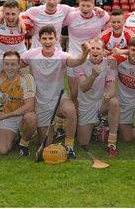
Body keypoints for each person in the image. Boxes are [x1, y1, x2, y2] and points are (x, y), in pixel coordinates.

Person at [20, 25, 90, 159]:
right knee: (46, 144)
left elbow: (76, 62)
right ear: (39, 40)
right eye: (44, 38)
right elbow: (17, 66)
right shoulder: (31, 54)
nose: (47, 41)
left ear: (56, 39)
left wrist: (84, 54)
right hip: (40, 101)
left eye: (50, 38)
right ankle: (47, 135)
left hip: (59, 98)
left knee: (70, 110)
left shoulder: (62, 55)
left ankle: (69, 147)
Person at [64, 0, 110, 114]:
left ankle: (95, 117)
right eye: (82, 5)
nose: (85, 8)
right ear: (79, 5)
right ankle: (76, 117)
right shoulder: (71, 16)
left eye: (88, 5)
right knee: (74, 92)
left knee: (93, 90)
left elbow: (108, 18)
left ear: (93, 6)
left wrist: (100, 10)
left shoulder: (100, 16)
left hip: (93, 58)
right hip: (74, 58)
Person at [74, 38, 120, 157]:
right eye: (92, 48)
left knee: (114, 102)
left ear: (103, 51)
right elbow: (83, 87)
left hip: (101, 103)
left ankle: (112, 143)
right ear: (89, 51)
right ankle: (99, 128)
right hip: (86, 105)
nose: (95, 50)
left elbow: (112, 88)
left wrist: (108, 95)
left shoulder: (109, 63)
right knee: (83, 142)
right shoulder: (80, 63)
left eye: (98, 48)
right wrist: (93, 76)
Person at [0, 51, 37, 156]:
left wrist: (6, 115)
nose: (10, 67)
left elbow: (30, 106)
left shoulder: (27, 78)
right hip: (8, 118)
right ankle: (15, 136)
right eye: (7, 64)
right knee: (0, 150)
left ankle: (24, 143)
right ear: (3, 65)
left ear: (18, 66)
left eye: (13, 64)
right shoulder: (0, 80)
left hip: (23, 116)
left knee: (31, 118)